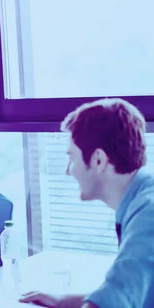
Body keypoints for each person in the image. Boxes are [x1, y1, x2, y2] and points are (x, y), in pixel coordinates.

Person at [20, 98, 154, 308]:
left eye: (72, 158)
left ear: (98, 160)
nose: (68, 170)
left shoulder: (148, 215)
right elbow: (129, 290)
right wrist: (64, 300)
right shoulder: (142, 198)